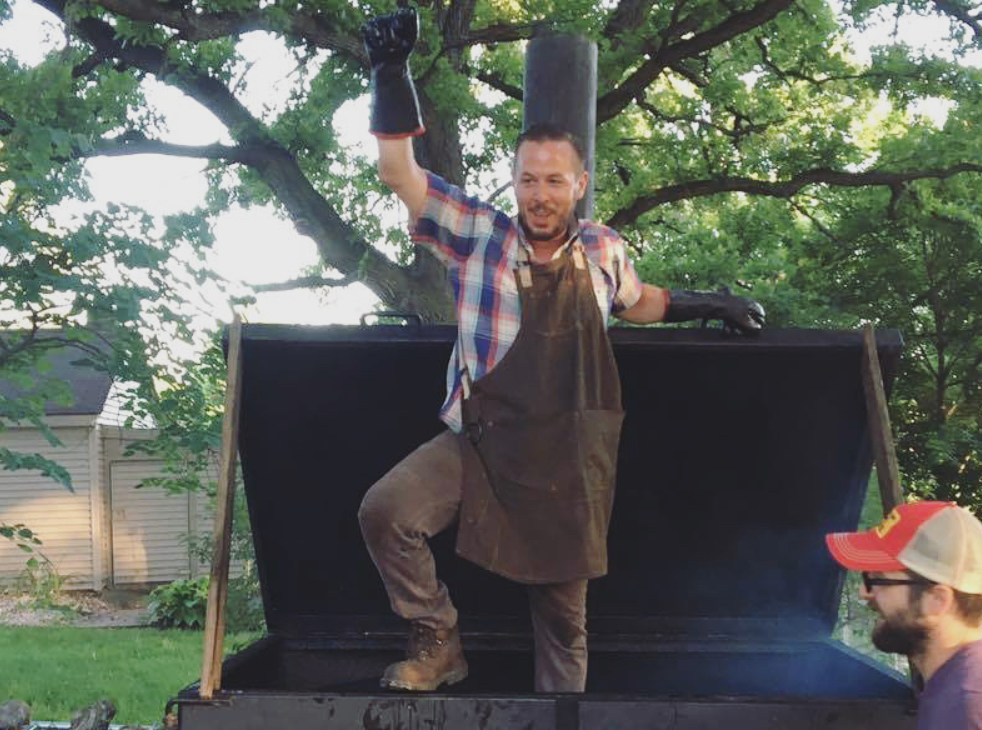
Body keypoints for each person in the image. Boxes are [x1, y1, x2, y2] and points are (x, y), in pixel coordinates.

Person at [357, 2, 765, 694]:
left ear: (579, 184)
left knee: (564, 629)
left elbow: (638, 301)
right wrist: (389, 75)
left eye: (554, 181)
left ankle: (562, 719)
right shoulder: (480, 235)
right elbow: (401, 173)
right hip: (479, 447)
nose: (539, 195)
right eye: (528, 179)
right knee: (386, 510)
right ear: (514, 181)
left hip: (564, 465)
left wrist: (709, 303)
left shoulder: (605, 250)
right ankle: (438, 640)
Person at [826, 500, 982, 729]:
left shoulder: (966, 708)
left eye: (877, 579)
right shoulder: (955, 686)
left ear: (937, 600)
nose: (863, 592)